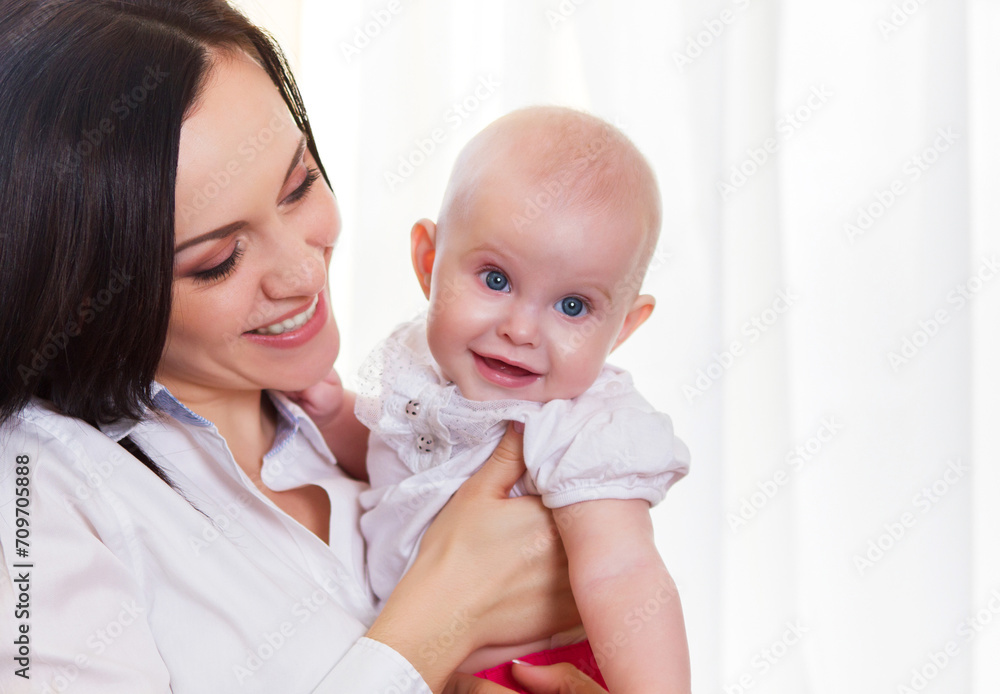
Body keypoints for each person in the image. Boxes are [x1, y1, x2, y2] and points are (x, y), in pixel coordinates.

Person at [0, 2, 611, 692]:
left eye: (299, 186)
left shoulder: (363, 425)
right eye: (218, 260)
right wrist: (443, 615)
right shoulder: (33, 492)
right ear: (80, 287)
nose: (302, 272)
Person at [296, 107, 692, 693]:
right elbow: (399, 465)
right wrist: (335, 416)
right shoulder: (424, 377)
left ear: (624, 329)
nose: (522, 329)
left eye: (574, 306)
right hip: (413, 662)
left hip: (524, 674)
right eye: (497, 279)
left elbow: (624, 572)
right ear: (430, 264)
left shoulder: (578, 426)